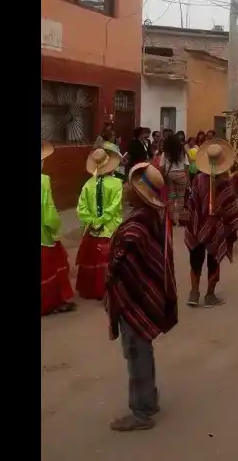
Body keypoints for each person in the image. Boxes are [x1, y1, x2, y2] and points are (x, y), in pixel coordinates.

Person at [105, 163, 178, 432]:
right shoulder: (151, 220)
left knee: (136, 352)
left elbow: (122, 266)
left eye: (130, 186)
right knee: (142, 350)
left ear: (137, 194)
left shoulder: (136, 228)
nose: (125, 188)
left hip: (133, 300)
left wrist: (114, 282)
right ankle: (149, 400)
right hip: (144, 297)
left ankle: (140, 411)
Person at [184, 141, 238, 307]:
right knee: (213, 259)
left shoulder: (199, 180)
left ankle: (194, 293)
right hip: (216, 228)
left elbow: (192, 204)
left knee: (195, 259)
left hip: (197, 226)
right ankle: (209, 296)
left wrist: (195, 221)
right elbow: (231, 209)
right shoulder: (225, 184)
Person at [76, 147, 124, 300]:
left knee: (91, 258)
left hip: (92, 230)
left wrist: (93, 221)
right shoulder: (117, 184)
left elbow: (81, 209)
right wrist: (102, 220)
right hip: (110, 229)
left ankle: (90, 289)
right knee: (110, 259)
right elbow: (114, 207)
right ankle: (108, 289)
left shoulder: (88, 184)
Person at [41, 141, 77, 315]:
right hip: (43, 234)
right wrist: (54, 228)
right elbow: (48, 210)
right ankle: (49, 303)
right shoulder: (43, 180)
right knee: (51, 268)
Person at [159, 133, 190, 226]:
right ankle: (181, 218)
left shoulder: (165, 153)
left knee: (171, 197)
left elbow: (161, 167)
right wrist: (188, 180)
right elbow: (186, 167)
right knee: (181, 198)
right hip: (181, 175)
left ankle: (171, 218)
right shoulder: (182, 152)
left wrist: (163, 177)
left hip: (170, 175)